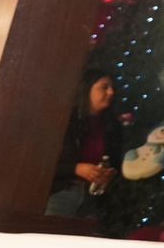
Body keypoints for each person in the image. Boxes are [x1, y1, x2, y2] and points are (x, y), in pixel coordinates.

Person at [47, 69, 122, 220]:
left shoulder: (112, 126)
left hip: (92, 197)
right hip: (60, 192)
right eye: (104, 87)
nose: (111, 92)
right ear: (88, 88)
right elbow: (43, 162)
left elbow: (115, 161)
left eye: (112, 88)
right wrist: (76, 168)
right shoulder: (66, 120)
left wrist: (108, 174)